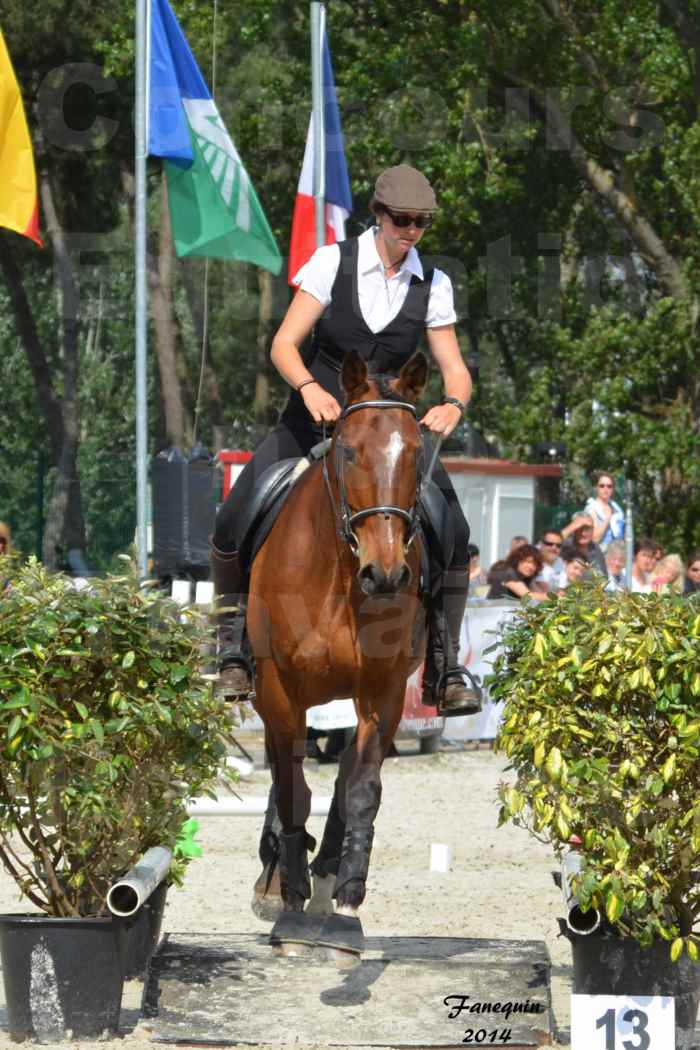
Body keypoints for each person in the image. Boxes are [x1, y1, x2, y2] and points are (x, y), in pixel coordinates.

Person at [210, 164, 479, 716]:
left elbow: (455, 369)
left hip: (394, 434)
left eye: (421, 223)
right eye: (402, 220)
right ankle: (232, 649)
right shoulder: (333, 262)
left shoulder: (434, 283)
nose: (411, 231)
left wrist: (453, 404)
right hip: (316, 417)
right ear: (378, 215)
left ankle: (444, 665)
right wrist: (309, 387)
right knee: (232, 516)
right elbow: (285, 343)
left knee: (453, 530)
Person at [583, 472, 625, 552]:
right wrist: (607, 519)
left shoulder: (617, 509)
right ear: (596, 488)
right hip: (599, 554)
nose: (605, 489)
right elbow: (594, 539)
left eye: (609, 486)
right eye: (602, 486)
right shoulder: (591, 509)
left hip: (617, 554)